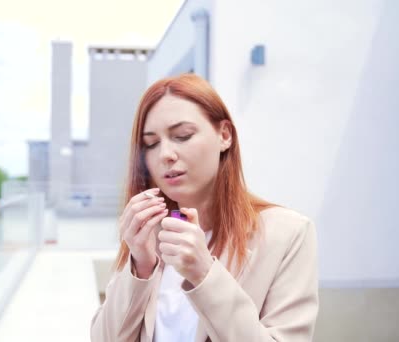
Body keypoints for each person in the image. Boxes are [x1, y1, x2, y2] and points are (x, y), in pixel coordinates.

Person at [90, 74, 319, 342]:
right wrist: (140, 266)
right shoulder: (148, 235)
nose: (165, 154)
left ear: (224, 135)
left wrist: (204, 274)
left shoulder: (288, 234)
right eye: (151, 143)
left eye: (182, 136)